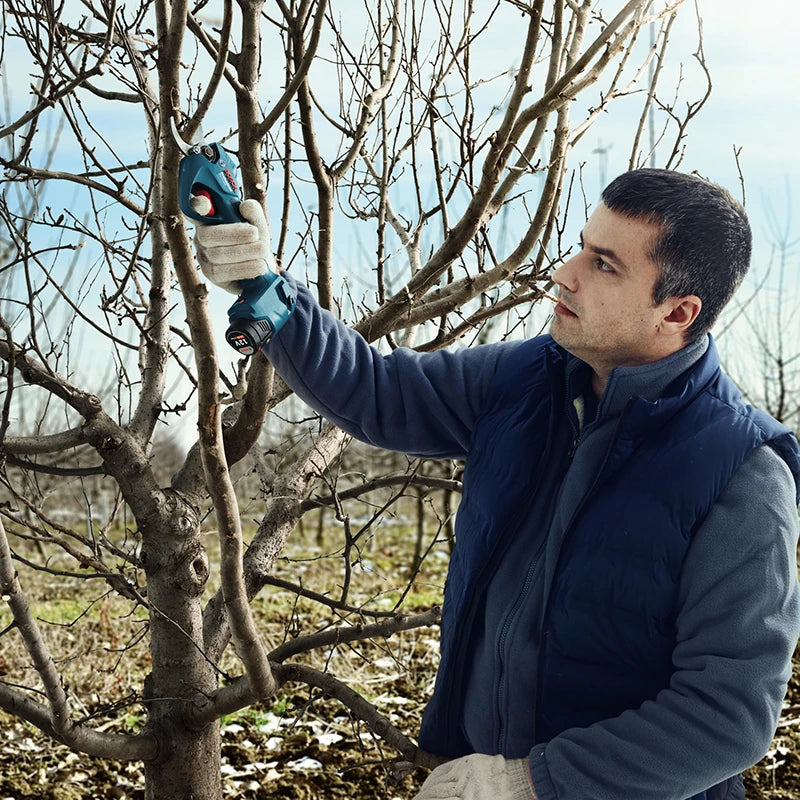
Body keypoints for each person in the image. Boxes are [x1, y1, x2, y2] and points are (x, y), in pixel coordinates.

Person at [193, 168, 800, 800]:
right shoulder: (523, 380)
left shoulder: (742, 477)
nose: (565, 273)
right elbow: (377, 392)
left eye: (604, 265)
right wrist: (267, 287)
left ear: (677, 311)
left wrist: (532, 784)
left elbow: (725, 716)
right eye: (580, 246)